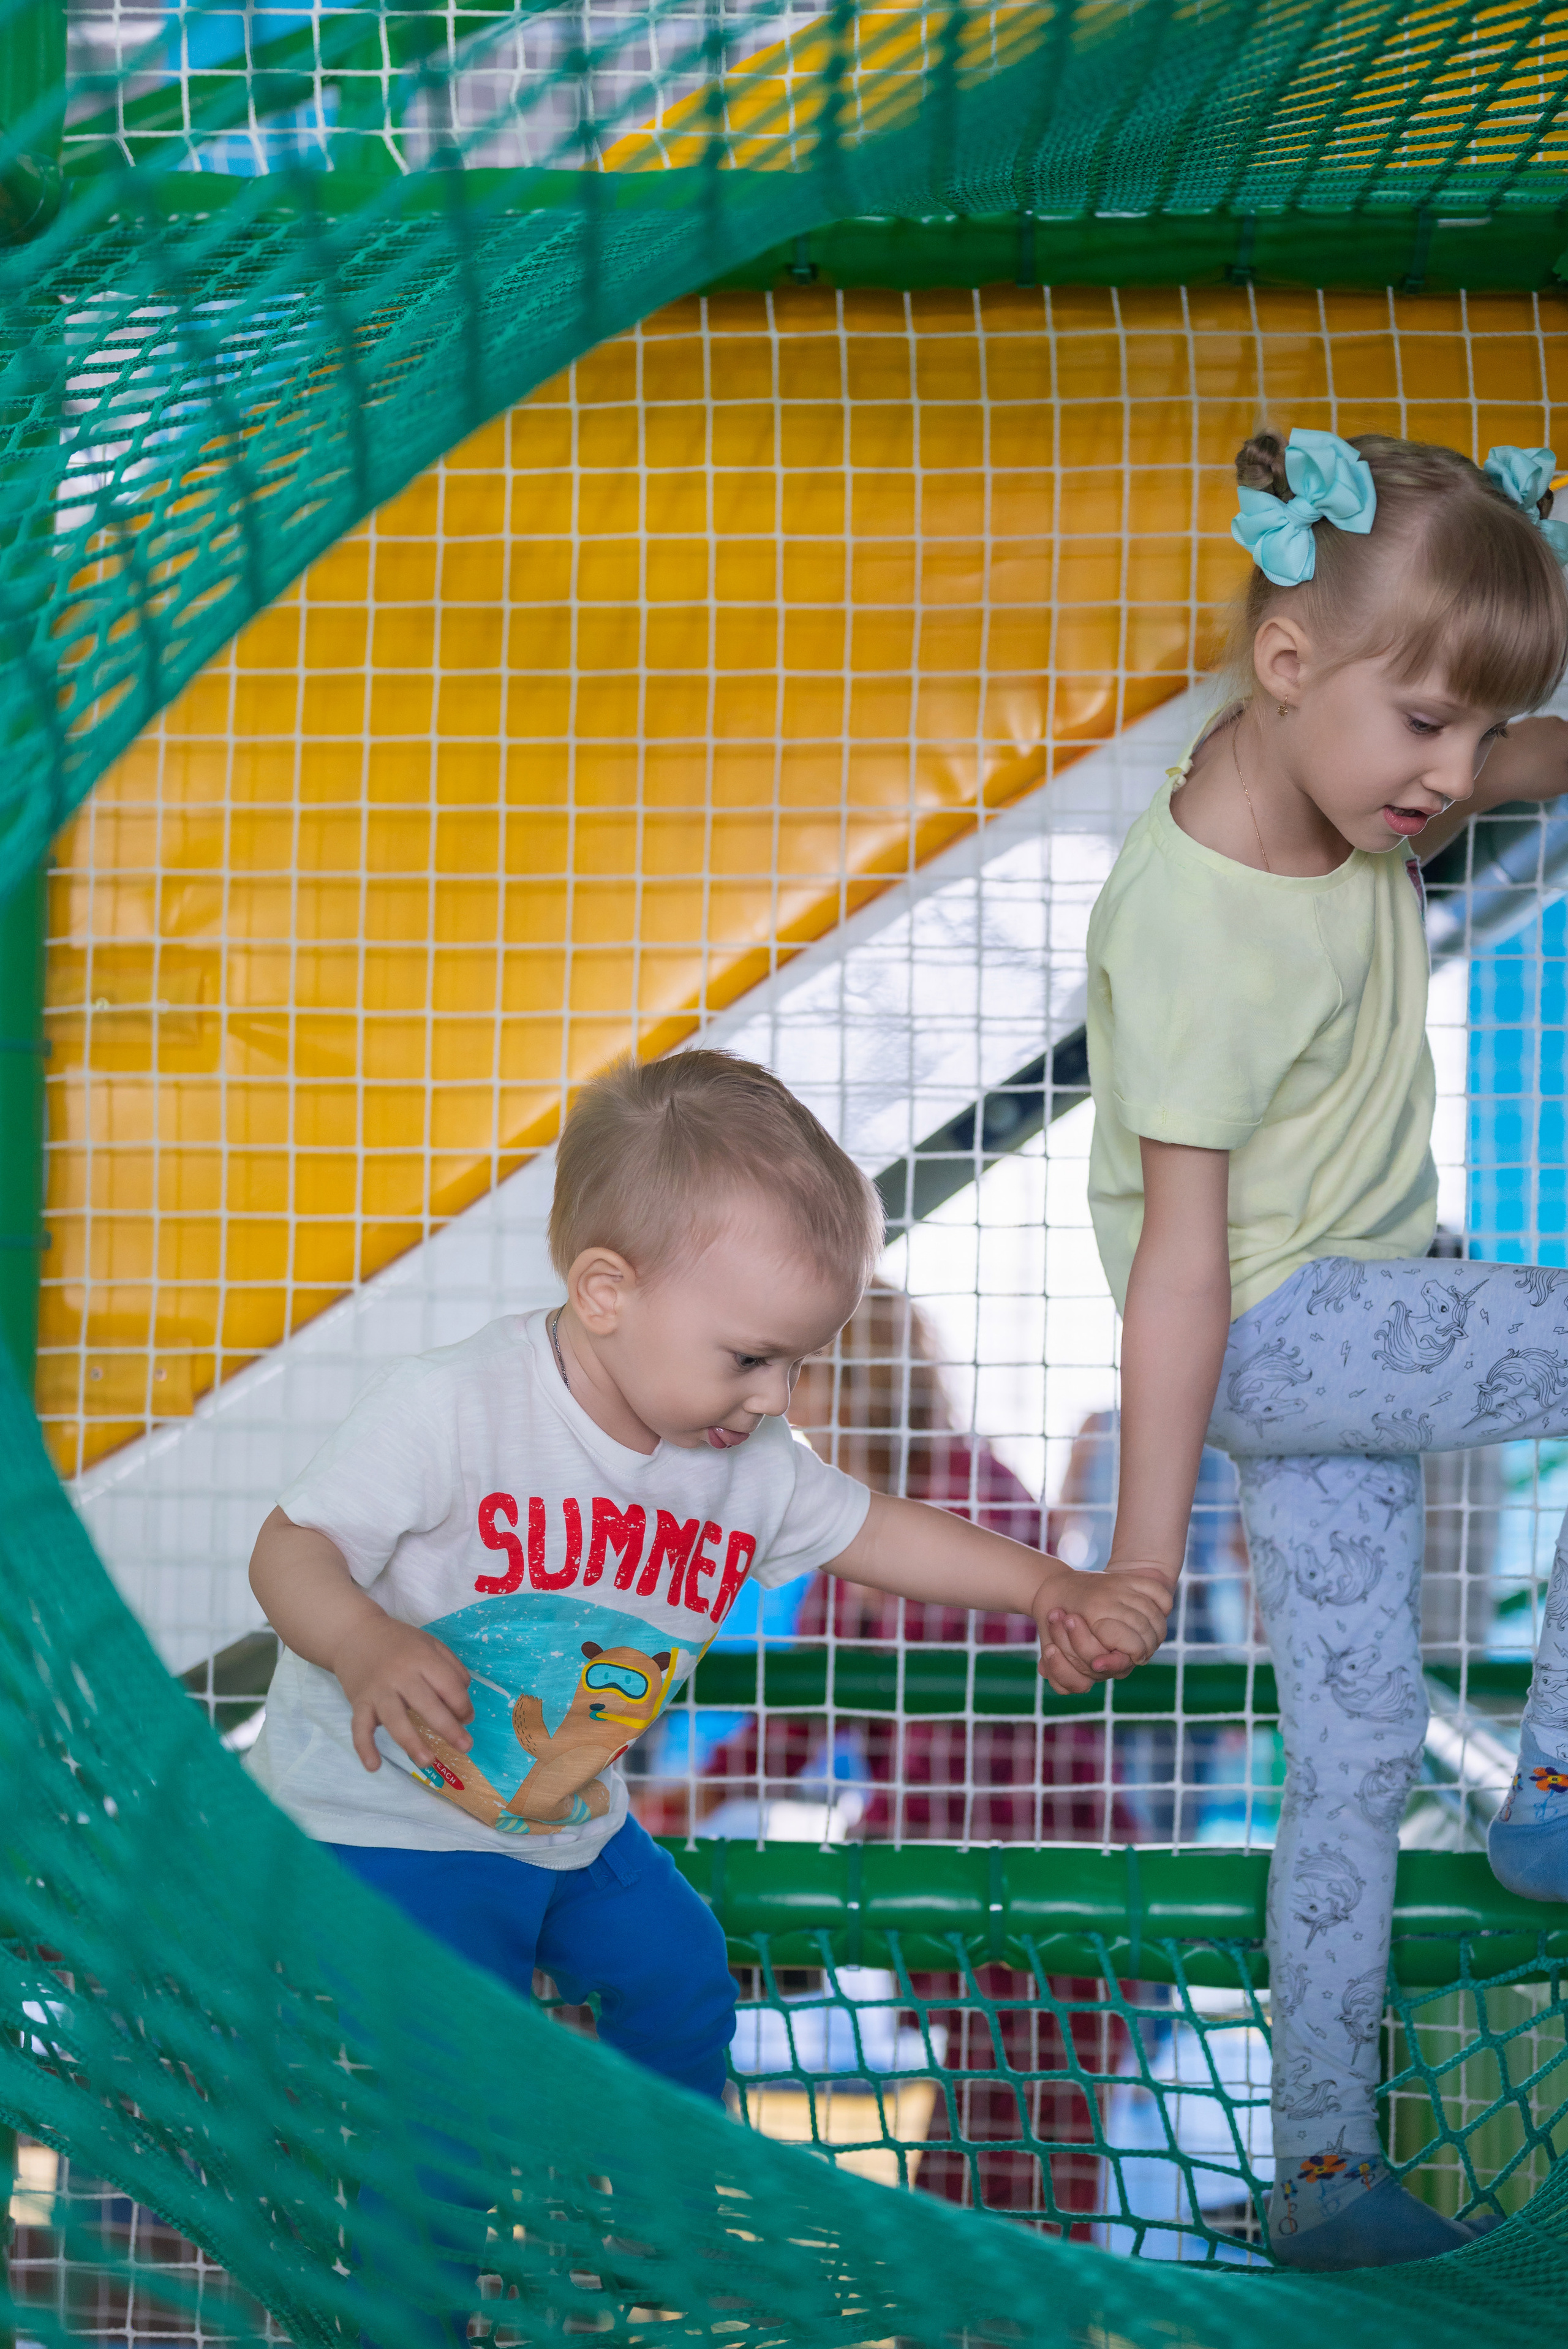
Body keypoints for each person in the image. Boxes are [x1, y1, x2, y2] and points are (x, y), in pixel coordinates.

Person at [245, 1050, 1168, 2342]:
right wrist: (360, 1645)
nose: (774, 1400)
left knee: (678, 1971)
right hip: (394, 1829)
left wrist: (1046, 1592)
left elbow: (886, 1533)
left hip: (565, 1825)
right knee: (442, 2095)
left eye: (796, 1364)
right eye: (749, 1357)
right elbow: (289, 1547)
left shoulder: (739, 1454)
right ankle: (411, 2309)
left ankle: (643, 2223)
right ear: (606, 1293)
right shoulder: (457, 1406)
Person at [1080, 428, 1568, 2273]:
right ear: (1290, 672)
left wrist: (1513, 735)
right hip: (1279, 1327)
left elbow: (1509, 745)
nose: (1457, 781)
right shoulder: (1198, 920)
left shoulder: (1347, 776)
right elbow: (1179, 1275)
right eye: (1430, 730)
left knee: (1352, 1752)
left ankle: (1318, 2170)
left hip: (1341, 1321)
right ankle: (1560, 1786)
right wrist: (1143, 1551)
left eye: (1478, 734)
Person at [698, 1287, 1137, 2233]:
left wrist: (691, 1791)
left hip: (1032, 1888)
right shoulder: (914, 1493)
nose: (773, 1394)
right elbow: (819, 1702)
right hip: (991, 1882)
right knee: (990, 2153)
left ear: (843, 1376)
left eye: (792, 1368)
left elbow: (826, 1707)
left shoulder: (948, 1502)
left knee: (1027, 2166)